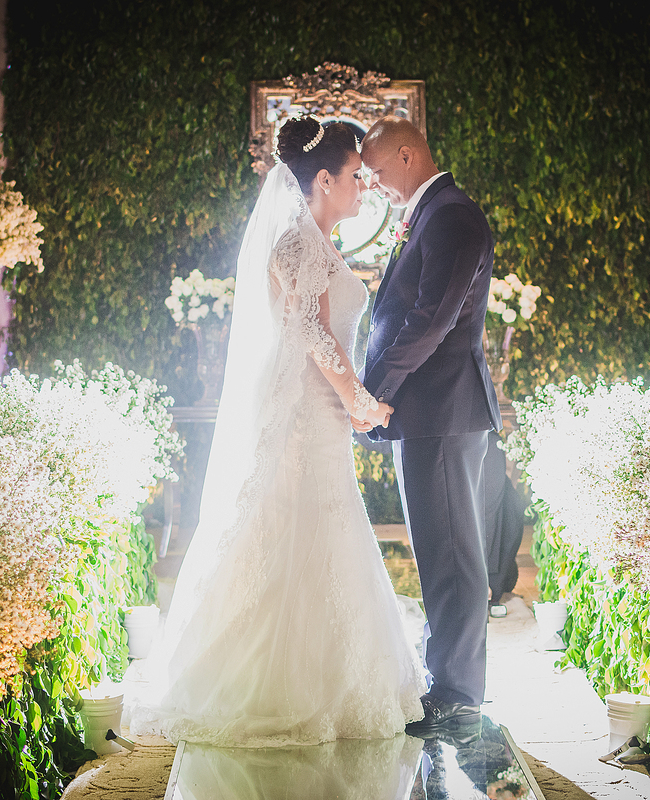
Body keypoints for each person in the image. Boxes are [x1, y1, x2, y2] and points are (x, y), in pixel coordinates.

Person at [126, 116, 424, 747]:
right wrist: (358, 399)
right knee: (293, 527)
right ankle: (273, 683)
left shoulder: (318, 240)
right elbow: (312, 332)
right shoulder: (297, 242)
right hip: (303, 414)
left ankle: (328, 673)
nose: (364, 187)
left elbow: (325, 329)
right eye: (355, 176)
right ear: (325, 180)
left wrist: (351, 398)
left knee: (321, 526)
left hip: (321, 412)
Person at [359, 117, 502, 739]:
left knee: (453, 555)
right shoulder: (432, 214)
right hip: (430, 414)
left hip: (443, 411)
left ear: (407, 153)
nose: (373, 184)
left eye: (377, 171)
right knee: (438, 550)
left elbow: (431, 319)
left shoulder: (451, 216)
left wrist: (373, 391)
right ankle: (446, 677)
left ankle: (459, 693)